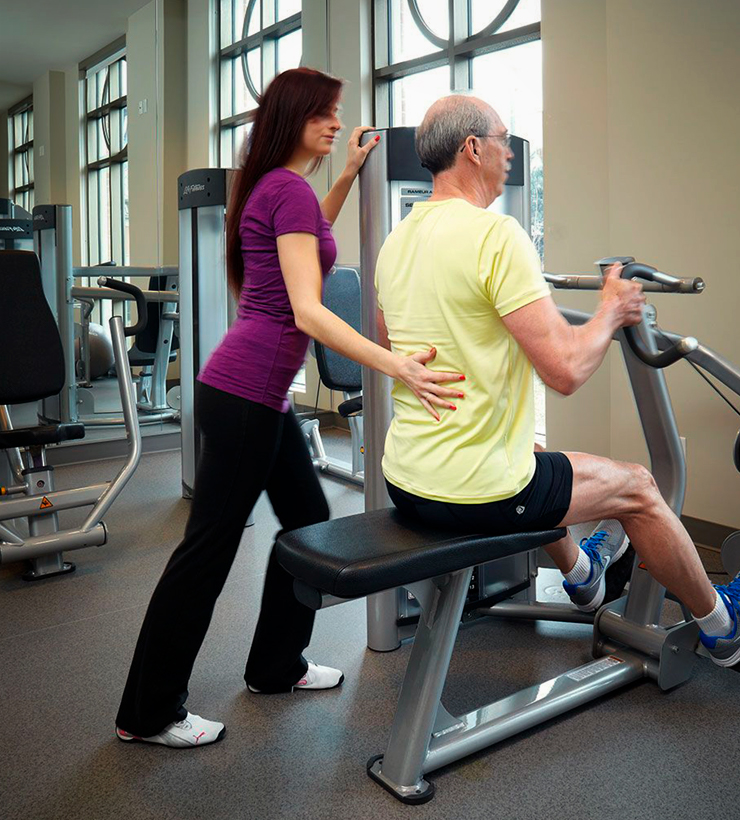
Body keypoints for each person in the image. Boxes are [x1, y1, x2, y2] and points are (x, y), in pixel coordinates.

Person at [115, 69, 466, 749]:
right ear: (293, 118)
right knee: (208, 550)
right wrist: (393, 365)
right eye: (324, 116)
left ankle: (276, 665)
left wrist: (347, 174)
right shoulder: (286, 191)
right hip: (246, 396)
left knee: (305, 520)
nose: (336, 125)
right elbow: (308, 305)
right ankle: (147, 710)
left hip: (249, 393)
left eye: (338, 115)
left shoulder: (278, 188)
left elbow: (305, 246)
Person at [374, 94, 740, 668]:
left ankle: (584, 575)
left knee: (533, 449)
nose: (511, 156)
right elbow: (567, 371)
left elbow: (395, 341)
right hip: (477, 495)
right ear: (472, 149)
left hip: (406, 479)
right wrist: (611, 310)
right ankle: (723, 628)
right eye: (502, 140)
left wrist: (489, 325)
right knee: (640, 488)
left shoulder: (396, 243)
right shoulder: (496, 236)